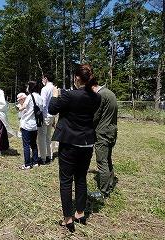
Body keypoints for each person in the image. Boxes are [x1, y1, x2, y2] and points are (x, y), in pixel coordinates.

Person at [48, 64, 101, 232]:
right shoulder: (96, 98)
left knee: (65, 180)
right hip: (86, 143)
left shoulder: (69, 95)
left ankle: (67, 219)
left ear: (77, 78)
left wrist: (56, 95)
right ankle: (80, 213)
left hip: (69, 143)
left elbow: (51, 109)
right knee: (81, 178)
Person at [89, 81, 118, 199]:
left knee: (102, 162)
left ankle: (103, 192)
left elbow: (95, 116)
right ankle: (110, 184)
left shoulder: (100, 95)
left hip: (102, 133)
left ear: (92, 87)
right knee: (107, 159)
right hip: (111, 131)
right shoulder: (110, 93)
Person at [18, 81, 43, 170]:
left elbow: (23, 107)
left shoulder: (29, 96)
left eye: (28, 86)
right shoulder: (40, 97)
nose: (27, 88)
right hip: (35, 124)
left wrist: (19, 107)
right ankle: (35, 162)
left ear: (31, 87)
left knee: (26, 145)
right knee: (34, 144)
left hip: (27, 124)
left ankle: (27, 164)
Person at [38, 73, 55, 165]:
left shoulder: (45, 89)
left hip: (45, 115)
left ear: (46, 78)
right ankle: (49, 155)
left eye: (42, 78)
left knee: (42, 137)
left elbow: (43, 104)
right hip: (52, 115)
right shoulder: (55, 88)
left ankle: (43, 158)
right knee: (48, 137)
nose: (42, 80)